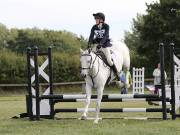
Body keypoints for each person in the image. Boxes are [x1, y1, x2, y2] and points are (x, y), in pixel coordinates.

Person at [88, 12, 120, 82]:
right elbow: (91, 36)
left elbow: (105, 36)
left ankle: (116, 73)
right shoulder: (94, 27)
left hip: (105, 45)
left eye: (96, 19)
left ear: (101, 20)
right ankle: (89, 74)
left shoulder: (106, 26)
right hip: (97, 45)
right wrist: (89, 44)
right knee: (90, 56)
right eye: (95, 19)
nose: (95, 20)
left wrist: (101, 44)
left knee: (109, 60)